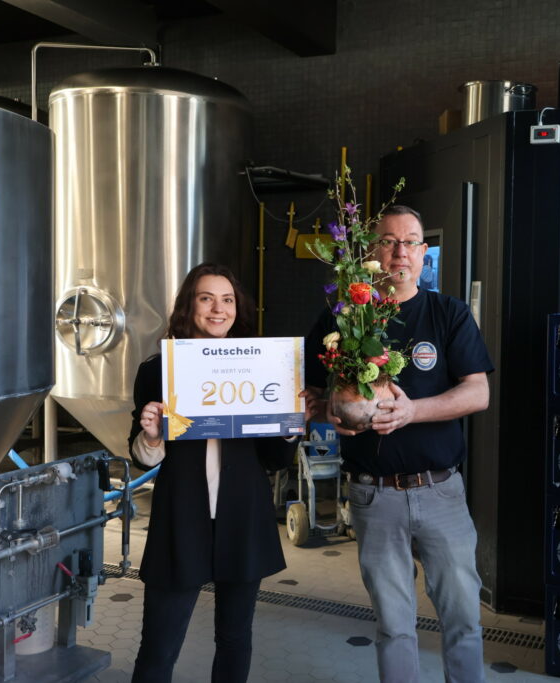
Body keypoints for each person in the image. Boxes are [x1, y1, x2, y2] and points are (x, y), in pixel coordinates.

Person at [305, 205, 493, 683]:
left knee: (463, 619)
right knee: (393, 627)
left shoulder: (447, 313)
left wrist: (413, 411)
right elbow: (308, 396)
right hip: (374, 494)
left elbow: (478, 393)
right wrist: (331, 414)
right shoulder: (342, 318)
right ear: (373, 251)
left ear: (424, 252)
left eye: (410, 242)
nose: (399, 252)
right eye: (388, 241)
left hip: (440, 491)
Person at [129, 263, 302, 683]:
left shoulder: (260, 369)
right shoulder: (157, 371)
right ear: (189, 307)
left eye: (227, 300)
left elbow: (274, 459)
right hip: (180, 520)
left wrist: (288, 427)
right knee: (158, 647)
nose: (218, 309)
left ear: (237, 309)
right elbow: (142, 458)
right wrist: (151, 436)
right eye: (206, 298)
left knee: (235, 638)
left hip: (242, 518)